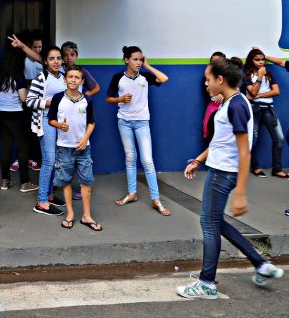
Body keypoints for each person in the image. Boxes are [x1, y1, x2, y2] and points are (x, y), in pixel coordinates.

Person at [177, 58, 284, 299]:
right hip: (219, 169)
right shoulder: (232, 102)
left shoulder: (236, 105)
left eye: (208, 79)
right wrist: (199, 159)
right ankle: (261, 264)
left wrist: (242, 195)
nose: (206, 84)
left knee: (209, 224)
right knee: (215, 222)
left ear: (220, 79)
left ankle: (206, 283)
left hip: (223, 174)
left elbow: (244, 150)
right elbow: (220, 141)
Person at [107, 46, 171, 216]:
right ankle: (132, 193)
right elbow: (108, 98)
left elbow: (164, 79)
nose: (138, 62)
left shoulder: (145, 77)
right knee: (130, 157)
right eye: (135, 59)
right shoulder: (118, 78)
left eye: (141, 59)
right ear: (126, 60)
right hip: (124, 122)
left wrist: (148, 66)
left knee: (147, 160)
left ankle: (156, 199)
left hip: (142, 123)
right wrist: (120, 99)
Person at [48, 66, 102, 231]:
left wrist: (85, 138)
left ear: (82, 81)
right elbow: (50, 119)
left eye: (77, 77)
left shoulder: (87, 100)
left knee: (86, 181)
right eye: (70, 77)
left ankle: (87, 216)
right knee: (65, 181)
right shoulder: (58, 98)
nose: (73, 80)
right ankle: (70, 213)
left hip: (83, 148)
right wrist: (59, 125)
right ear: (65, 79)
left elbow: (92, 122)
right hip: (64, 147)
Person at [28, 46, 67, 217]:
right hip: (45, 121)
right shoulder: (41, 78)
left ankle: (50, 194)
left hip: (60, 122)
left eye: (58, 58)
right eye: (52, 58)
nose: (56, 61)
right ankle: (41, 201)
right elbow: (30, 101)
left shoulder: (64, 77)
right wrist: (49, 103)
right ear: (45, 61)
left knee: (56, 159)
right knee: (49, 159)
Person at [0, 43, 37, 193]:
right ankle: (24, 182)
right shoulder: (19, 74)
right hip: (16, 114)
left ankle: (5, 180)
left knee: (6, 146)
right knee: (23, 146)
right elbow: (23, 98)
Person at [60, 40, 101, 200]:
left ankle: (81, 187)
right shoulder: (61, 71)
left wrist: (84, 97)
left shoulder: (82, 71)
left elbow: (96, 87)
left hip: (80, 117)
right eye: (66, 56)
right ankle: (64, 185)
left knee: (81, 152)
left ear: (76, 55)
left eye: (72, 55)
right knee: (64, 153)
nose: (69, 58)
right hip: (64, 118)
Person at [243, 48, 288, 178]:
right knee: (254, 139)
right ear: (251, 60)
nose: (261, 62)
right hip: (254, 109)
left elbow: (276, 91)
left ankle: (277, 169)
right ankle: (255, 167)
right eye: (257, 60)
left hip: (269, 109)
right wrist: (260, 77)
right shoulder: (246, 74)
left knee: (279, 138)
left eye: (262, 59)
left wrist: (258, 95)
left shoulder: (269, 73)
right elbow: (252, 92)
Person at [10, 31, 44, 172]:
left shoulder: (42, 61)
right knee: (23, 131)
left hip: (39, 101)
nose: (37, 50)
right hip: (25, 100)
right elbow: (20, 80)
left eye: (40, 47)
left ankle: (33, 159)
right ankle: (20, 159)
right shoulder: (24, 61)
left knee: (36, 132)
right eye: (35, 47)